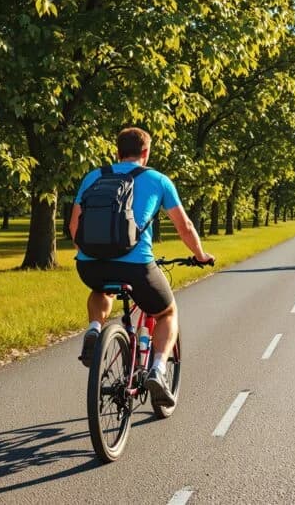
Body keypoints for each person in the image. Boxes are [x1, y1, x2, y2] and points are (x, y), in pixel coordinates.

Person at [69, 127, 213, 410]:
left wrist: (91, 254)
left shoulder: (93, 177)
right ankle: (158, 369)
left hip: (90, 266)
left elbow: (75, 225)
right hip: (137, 268)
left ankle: (95, 329)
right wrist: (201, 255)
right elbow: (184, 227)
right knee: (167, 312)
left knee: (102, 289)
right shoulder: (158, 180)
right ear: (145, 153)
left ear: (117, 151)